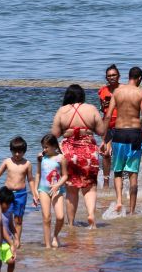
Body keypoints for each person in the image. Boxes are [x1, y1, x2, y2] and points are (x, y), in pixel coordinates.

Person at [51, 84, 106, 229]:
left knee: (71, 189)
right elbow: (101, 131)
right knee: (90, 187)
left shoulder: (62, 111)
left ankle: (70, 223)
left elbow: (54, 135)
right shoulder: (91, 109)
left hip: (69, 152)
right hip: (89, 150)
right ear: (82, 96)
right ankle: (91, 216)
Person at [104, 66, 142, 214]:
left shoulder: (117, 92)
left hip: (118, 133)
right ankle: (132, 211)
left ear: (128, 76)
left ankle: (119, 200)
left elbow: (108, 116)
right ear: (139, 79)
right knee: (133, 175)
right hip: (134, 135)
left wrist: (103, 139)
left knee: (118, 171)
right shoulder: (141, 93)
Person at [0, 136, 38, 248]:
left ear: (24, 151)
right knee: (5, 217)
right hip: (7, 194)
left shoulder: (27, 164)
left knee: (18, 220)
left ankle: (17, 241)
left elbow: (31, 180)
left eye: (20, 152)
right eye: (14, 151)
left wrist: (34, 194)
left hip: (21, 194)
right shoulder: (7, 161)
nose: (17, 154)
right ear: (11, 150)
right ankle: (5, 240)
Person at [37, 134, 68, 248]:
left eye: (46, 147)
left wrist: (57, 185)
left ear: (54, 146)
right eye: (43, 147)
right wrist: (36, 191)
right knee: (47, 217)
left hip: (57, 189)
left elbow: (65, 176)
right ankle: (47, 246)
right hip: (43, 189)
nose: (44, 150)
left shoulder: (61, 158)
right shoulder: (41, 157)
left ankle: (55, 236)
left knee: (60, 217)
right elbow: (38, 174)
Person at [97, 64, 121, 188]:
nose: (111, 77)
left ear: (119, 76)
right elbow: (102, 109)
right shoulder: (102, 90)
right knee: (106, 154)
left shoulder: (123, 89)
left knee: (119, 153)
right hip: (107, 126)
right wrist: (104, 105)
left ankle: (120, 180)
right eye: (109, 76)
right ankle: (106, 183)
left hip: (122, 125)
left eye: (114, 75)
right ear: (106, 78)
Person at [0, 187, 19, 272]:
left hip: (6, 242)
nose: (9, 206)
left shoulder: (8, 212)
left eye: (10, 204)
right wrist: (12, 243)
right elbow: (1, 229)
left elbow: (11, 226)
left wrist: (17, 238)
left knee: (11, 261)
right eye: (7, 204)